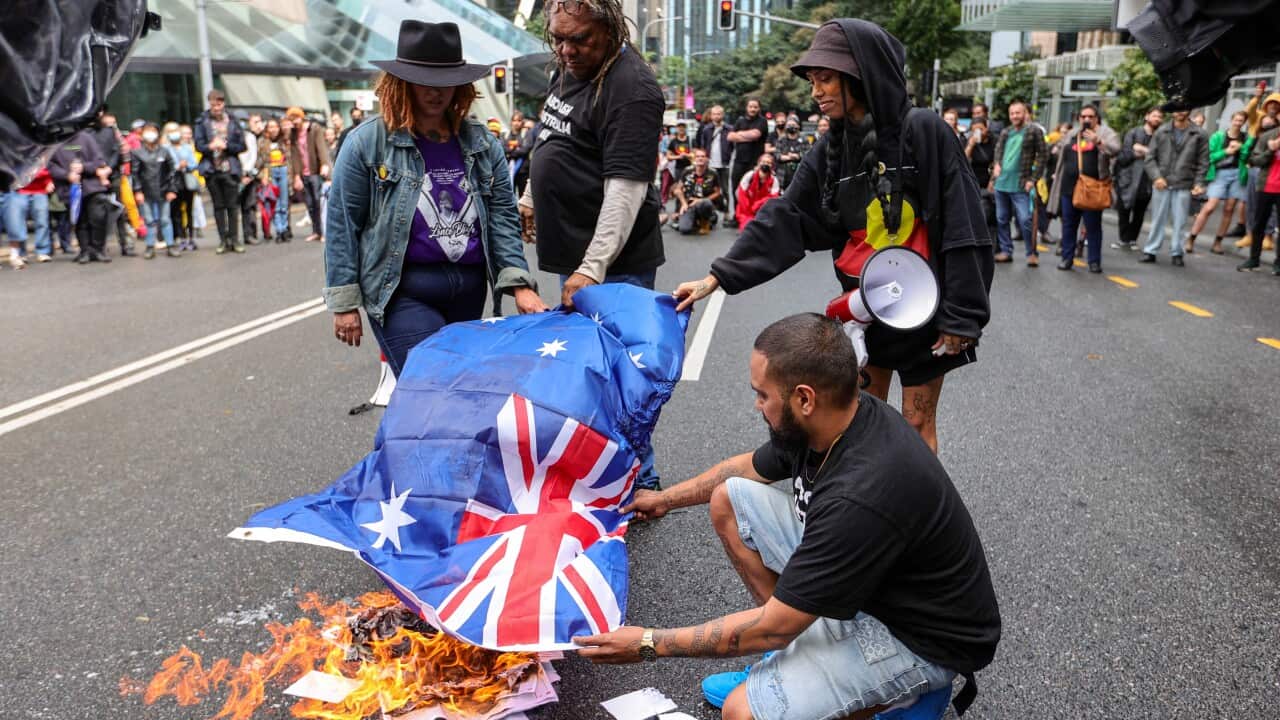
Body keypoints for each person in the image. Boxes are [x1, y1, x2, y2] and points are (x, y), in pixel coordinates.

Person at [575, 313, 1001, 720]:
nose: (757, 405)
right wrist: (666, 498)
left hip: (919, 639)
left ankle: (908, 696)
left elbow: (774, 625)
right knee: (728, 498)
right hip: (872, 584)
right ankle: (798, 658)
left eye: (762, 395)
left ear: (804, 398)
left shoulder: (861, 494)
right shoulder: (829, 421)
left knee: (741, 711)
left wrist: (648, 644)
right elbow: (743, 469)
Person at [675, 20, 992, 453]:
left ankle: (918, 519)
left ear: (859, 77)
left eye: (825, 79)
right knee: (866, 423)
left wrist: (963, 315)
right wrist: (717, 277)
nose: (815, 91)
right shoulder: (830, 149)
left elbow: (964, 222)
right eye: (812, 81)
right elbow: (786, 215)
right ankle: (871, 516)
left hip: (923, 312)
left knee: (917, 424)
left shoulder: (925, 131)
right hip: (864, 311)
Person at [326, 21, 548, 378]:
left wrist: (519, 285)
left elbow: (502, 218)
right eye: (424, 81)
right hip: (404, 292)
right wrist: (344, 303)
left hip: (469, 290)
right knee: (431, 387)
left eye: (445, 82)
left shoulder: (482, 143)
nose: (435, 92)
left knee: (457, 393)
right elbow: (342, 224)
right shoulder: (366, 143)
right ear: (401, 82)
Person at [518, 0, 664, 488]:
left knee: (620, 378)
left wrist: (591, 270)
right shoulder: (571, 66)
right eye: (558, 38)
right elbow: (550, 135)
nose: (565, 49)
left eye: (577, 38)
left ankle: (640, 480)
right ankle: (599, 471)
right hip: (575, 254)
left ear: (610, 29)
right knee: (584, 373)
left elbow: (626, 191)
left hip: (613, 265)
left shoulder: (632, 88)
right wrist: (530, 198)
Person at [1046, 105, 1121, 273]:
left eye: (1090, 116)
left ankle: (1094, 262)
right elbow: (1059, 153)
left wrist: (1099, 141)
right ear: (1079, 118)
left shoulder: (1106, 133)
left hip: (1092, 189)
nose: (1086, 120)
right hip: (1068, 188)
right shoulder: (1072, 134)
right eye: (1083, 116)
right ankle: (1067, 259)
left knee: (1093, 227)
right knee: (1068, 226)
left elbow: (1116, 150)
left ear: (1096, 118)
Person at [1140, 109, 1208, 266]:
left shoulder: (1199, 134)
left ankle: (1177, 252)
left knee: (1181, 221)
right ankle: (1150, 250)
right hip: (1162, 182)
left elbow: (1203, 162)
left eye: (1183, 108)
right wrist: (1156, 177)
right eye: (1176, 109)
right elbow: (1150, 158)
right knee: (1157, 219)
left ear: (1189, 110)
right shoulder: (1162, 131)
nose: (1179, 112)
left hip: (1184, 182)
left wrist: (1199, 183)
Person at [1187, 110, 1253, 255]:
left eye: (1241, 121)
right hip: (1220, 174)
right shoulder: (1218, 136)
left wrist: (1241, 148)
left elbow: (1247, 157)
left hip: (1237, 174)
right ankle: (1191, 238)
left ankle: (1218, 242)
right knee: (1209, 207)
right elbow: (1208, 157)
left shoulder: (1246, 138)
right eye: (1236, 120)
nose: (1238, 123)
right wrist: (1226, 151)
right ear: (1231, 120)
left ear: (1244, 123)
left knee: (1229, 209)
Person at [989, 101, 1047, 266]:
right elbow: (998, 152)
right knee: (1002, 219)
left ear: (1025, 113)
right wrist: (996, 168)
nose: (1015, 116)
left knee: (1025, 220)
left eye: (1018, 113)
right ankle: (1006, 251)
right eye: (1012, 113)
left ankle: (1032, 253)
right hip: (1002, 184)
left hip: (1021, 184)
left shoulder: (1033, 131)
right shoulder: (1006, 132)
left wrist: (1033, 179)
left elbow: (1043, 156)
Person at [194, 89, 248, 254]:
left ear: (223, 103)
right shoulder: (202, 122)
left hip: (230, 169)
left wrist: (226, 146)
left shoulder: (233, 121)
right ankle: (223, 240)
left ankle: (235, 239)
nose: (216, 108)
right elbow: (198, 145)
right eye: (213, 104)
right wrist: (209, 147)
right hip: (212, 169)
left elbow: (242, 146)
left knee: (232, 206)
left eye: (218, 104)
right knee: (218, 206)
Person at [49, 129, 113, 264]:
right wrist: (67, 175)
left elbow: (99, 161)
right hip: (70, 189)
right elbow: (50, 165)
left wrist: (83, 167)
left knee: (98, 218)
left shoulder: (86, 138)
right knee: (79, 221)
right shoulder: (54, 142)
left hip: (92, 187)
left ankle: (98, 249)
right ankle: (85, 250)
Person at [1112, 107, 1163, 252]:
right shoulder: (1133, 132)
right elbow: (1125, 155)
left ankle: (1132, 239)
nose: (1157, 119)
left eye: (1160, 117)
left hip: (1147, 180)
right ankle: (1123, 239)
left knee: (1139, 212)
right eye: (1154, 116)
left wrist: (1142, 149)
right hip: (1128, 178)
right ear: (1147, 116)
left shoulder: (1160, 136)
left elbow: (1161, 156)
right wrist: (1141, 152)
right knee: (1124, 210)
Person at [131, 123, 181, 259]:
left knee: (165, 219)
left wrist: (172, 189)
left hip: (163, 190)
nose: (150, 134)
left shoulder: (164, 151)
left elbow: (172, 172)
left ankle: (170, 246)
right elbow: (135, 174)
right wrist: (138, 191)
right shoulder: (137, 153)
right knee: (149, 220)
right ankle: (149, 247)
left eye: (153, 131)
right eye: (147, 131)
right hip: (146, 192)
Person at [1238, 115, 1280, 274]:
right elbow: (1255, 160)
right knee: (1259, 224)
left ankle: (1278, 263)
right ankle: (1254, 259)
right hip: (1266, 186)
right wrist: (1271, 149)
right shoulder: (1267, 136)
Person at [287, 107, 331, 243]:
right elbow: (294, 156)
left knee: (320, 203)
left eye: (296, 118)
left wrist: (324, 164)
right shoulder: (293, 133)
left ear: (302, 117)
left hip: (315, 171)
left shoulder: (314, 129)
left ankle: (324, 231)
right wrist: (296, 176)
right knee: (310, 204)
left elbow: (321, 147)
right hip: (303, 173)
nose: (294, 121)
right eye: (291, 119)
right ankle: (316, 231)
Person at [726, 99, 768, 228]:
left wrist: (739, 135)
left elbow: (756, 135)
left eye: (755, 107)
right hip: (739, 161)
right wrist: (746, 136)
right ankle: (737, 216)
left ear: (759, 108)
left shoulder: (762, 121)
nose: (753, 109)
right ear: (747, 108)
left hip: (754, 162)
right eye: (750, 106)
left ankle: (752, 216)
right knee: (736, 189)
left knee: (752, 190)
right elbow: (730, 137)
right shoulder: (740, 121)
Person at [3, 164, 53, 266]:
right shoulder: (16, 152)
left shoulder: (39, 150)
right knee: (18, 223)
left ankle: (42, 251)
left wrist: (49, 181)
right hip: (19, 190)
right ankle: (21, 253)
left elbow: (47, 167)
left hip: (40, 189)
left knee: (42, 222)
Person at [258, 117, 294, 242]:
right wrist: (262, 175)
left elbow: (290, 158)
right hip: (271, 172)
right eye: (270, 127)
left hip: (283, 171)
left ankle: (284, 229)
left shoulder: (284, 141)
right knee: (275, 203)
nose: (273, 129)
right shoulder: (263, 142)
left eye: (275, 126)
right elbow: (261, 161)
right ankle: (279, 230)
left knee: (284, 203)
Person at [672, 147, 721, 235]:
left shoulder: (713, 173)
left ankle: (705, 221)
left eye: (703, 156)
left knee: (706, 203)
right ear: (694, 159)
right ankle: (696, 220)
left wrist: (700, 200)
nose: (700, 158)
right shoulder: (687, 171)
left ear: (706, 159)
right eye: (698, 156)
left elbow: (717, 192)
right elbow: (677, 190)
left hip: (703, 203)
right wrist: (683, 203)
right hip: (689, 204)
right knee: (684, 229)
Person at [697, 105, 733, 219]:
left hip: (724, 164)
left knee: (725, 189)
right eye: (714, 114)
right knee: (709, 189)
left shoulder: (729, 129)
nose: (716, 116)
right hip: (711, 164)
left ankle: (727, 212)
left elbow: (733, 146)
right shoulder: (706, 129)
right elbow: (703, 145)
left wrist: (728, 155)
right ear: (711, 115)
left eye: (719, 114)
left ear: (723, 115)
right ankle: (711, 212)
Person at [965, 118, 997, 240]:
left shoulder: (994, 141)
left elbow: (997, 161)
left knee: (988, 215)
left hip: (989, 184)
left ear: (986, 129)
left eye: (981, 129)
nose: (978, 132)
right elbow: (963, 161)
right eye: (974, 130)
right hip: (973, 184)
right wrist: (971, 145)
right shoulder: (969, 142)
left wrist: (993, 181)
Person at [734, 152, 780, 227]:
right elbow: (741, 195)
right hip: (746, 211)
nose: (765, 164)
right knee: (748, 227)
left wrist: (758, 205)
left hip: (763, 212)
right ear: (758, 163)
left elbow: (773, 198)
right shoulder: (749, 176)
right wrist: (748, 212)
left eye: (768, 163)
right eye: (763, 162)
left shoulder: (774, 180)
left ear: (772, 166)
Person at [238, 113, 264, 245]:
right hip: (235, 175)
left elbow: (253, 156)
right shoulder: (229, 138)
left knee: (249, 206)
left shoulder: (250, 137)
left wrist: (246, 173)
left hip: (248, 176)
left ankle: (250, 234)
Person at [774, 118, 807, 189]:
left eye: (793, 125)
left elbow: (808, 154)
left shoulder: (804, 139)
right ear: (785, 126)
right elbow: (777, 155)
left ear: (798, 126)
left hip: (800, 173)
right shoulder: (781, 139)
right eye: (789, 125)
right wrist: (790, 157)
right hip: (783, 174)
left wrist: (798, 156)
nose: (791, 126)